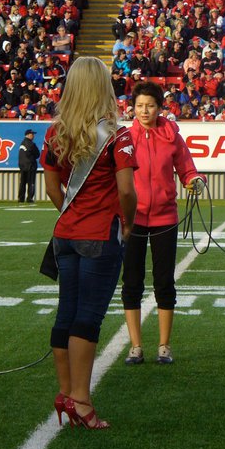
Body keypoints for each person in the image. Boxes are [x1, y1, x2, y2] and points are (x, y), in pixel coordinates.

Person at [40, 57, 138, 429]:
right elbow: (126, 189)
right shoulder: (117, 134)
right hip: (100, 234)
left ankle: (66, 393)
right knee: (89, 317)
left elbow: (52, 188)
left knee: (66, 311)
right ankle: (81, 400)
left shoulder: (55, 132)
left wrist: (70, 211)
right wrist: (127, 222)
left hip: (65, 233)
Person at [121, 81, 206, 366]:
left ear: (160, 108)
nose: (144, 111)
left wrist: (195, 181)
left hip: (165, 218)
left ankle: (164, 346)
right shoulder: (123, 136)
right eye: (140, 106)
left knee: (164, 282)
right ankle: (135, 346)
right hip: (131, 219)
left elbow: (187, 168)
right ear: (132, 107)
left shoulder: (172, 135)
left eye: (150, 106)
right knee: (131, 282)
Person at [18, 129, 40, 203]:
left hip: (22, 166)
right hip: (31, 165)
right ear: (28, 135)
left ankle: (21, 198)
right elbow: (37, 154)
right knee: (31, 183)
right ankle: (30, 198)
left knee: (22, 183)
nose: (33, 136)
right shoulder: (31, 144)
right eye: (32, 134)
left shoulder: (22, 143)